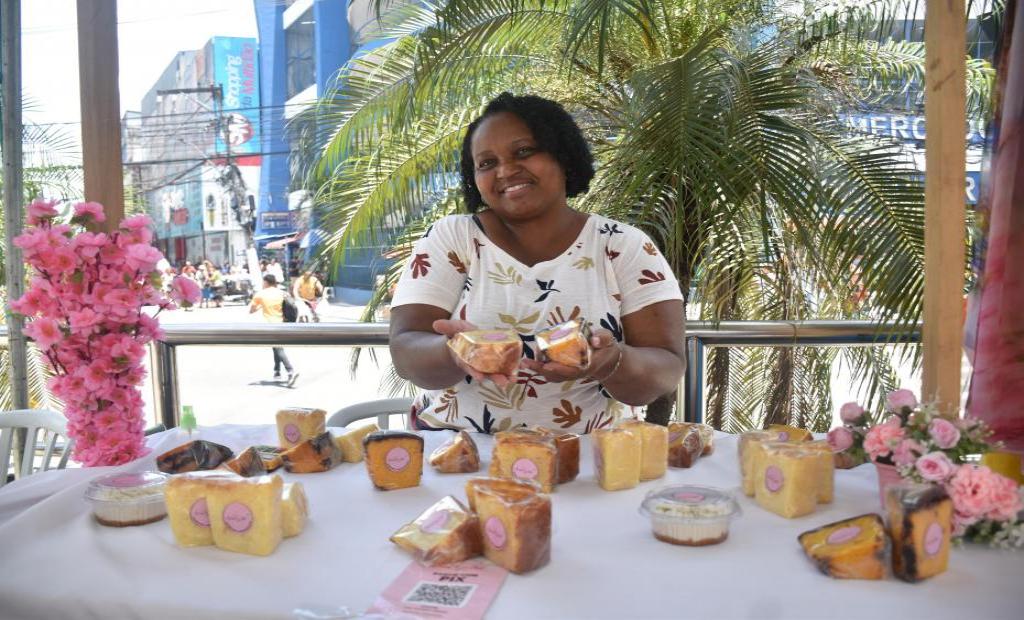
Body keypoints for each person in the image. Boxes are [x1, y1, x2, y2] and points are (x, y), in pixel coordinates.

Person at [389, 93, 685, 434]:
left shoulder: (623, 245)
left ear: (562, 154)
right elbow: (405, 351)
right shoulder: (452, 237)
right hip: (459, 455)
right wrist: (455, 352)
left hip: (590, 461)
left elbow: (667, 367)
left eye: (524, 151)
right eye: (486, 163)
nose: (505, 170)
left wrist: (612, 361)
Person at [249, 274, 298, 386]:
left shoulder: (261, 294)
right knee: (276, 347)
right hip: (282, 324)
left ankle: (290, 371)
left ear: (266, 282)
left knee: (278, 349)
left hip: (270, 325)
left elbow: (251, 310)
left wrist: (260, 306)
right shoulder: (281, 292)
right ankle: (277, 371)